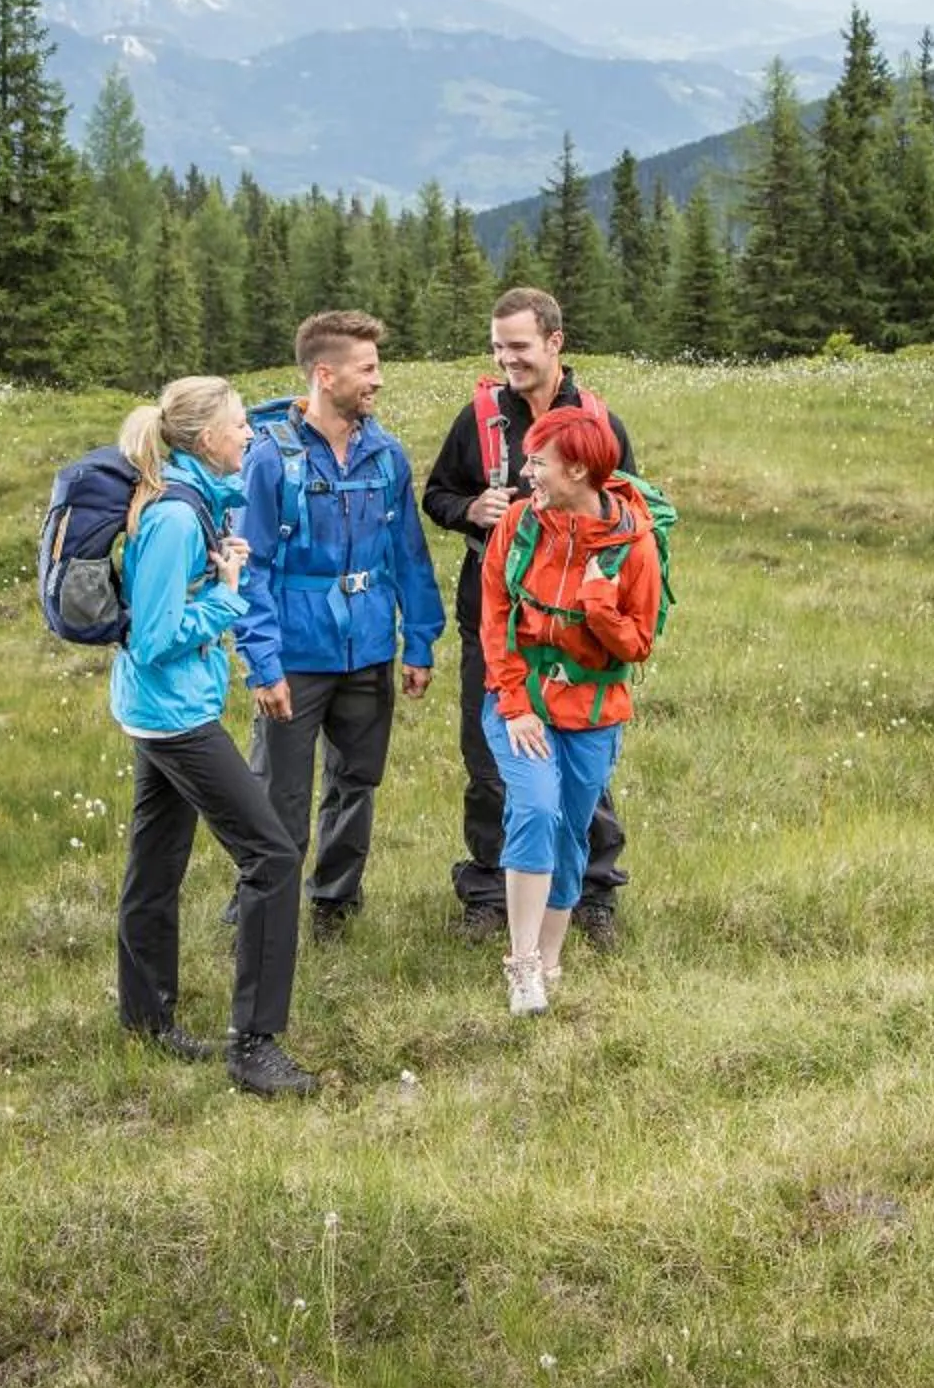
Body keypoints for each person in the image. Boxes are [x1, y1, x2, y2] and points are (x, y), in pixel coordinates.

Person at [108, 377, 319, 1098]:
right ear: (202, 441)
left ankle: (146, 1023)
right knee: (273, 856)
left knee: (155, 864)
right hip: (176, 718)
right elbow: (157, 636)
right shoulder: (172, 520)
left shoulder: (192, 500)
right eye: (238, 428)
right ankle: (254, 1046)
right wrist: (227, 599)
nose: (250, 438)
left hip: (159, 711)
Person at [422, 288, 638, 939]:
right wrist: (469, 511)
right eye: (497, 347)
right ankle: (489, 890)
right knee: (491, 759)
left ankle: (591, 891)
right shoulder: (480, 417)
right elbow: (436, 493)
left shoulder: (598, 422)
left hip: (581, 636)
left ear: (554, 342)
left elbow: (630, 515)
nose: (506, 359)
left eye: (518, 346)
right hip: (493, 623)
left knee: (581, 766)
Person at [236, 309, 445, 940]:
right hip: (296, 658)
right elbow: (252, 570)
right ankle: (261, 900)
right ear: (325, 375)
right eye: (368, 369)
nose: (378, 381)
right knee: (280, 793)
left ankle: (335, 902)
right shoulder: (272, 461)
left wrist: (421, 640)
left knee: (356, 782)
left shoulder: (387, 455)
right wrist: (263, 663)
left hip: (370, 650)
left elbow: (408, 553)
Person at [477, 403, 661, 1013]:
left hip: (593, 711)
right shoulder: (521, 525)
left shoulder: (632, 546)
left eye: (538, 462)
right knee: (534, 807)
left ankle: (549, 964)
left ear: (579, 471)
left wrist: (601, 608)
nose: (527, 473)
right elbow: (496, 614)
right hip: (521, 701)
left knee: (571, 831)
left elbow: (639, 645)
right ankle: (522, 964)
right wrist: (514, 702)